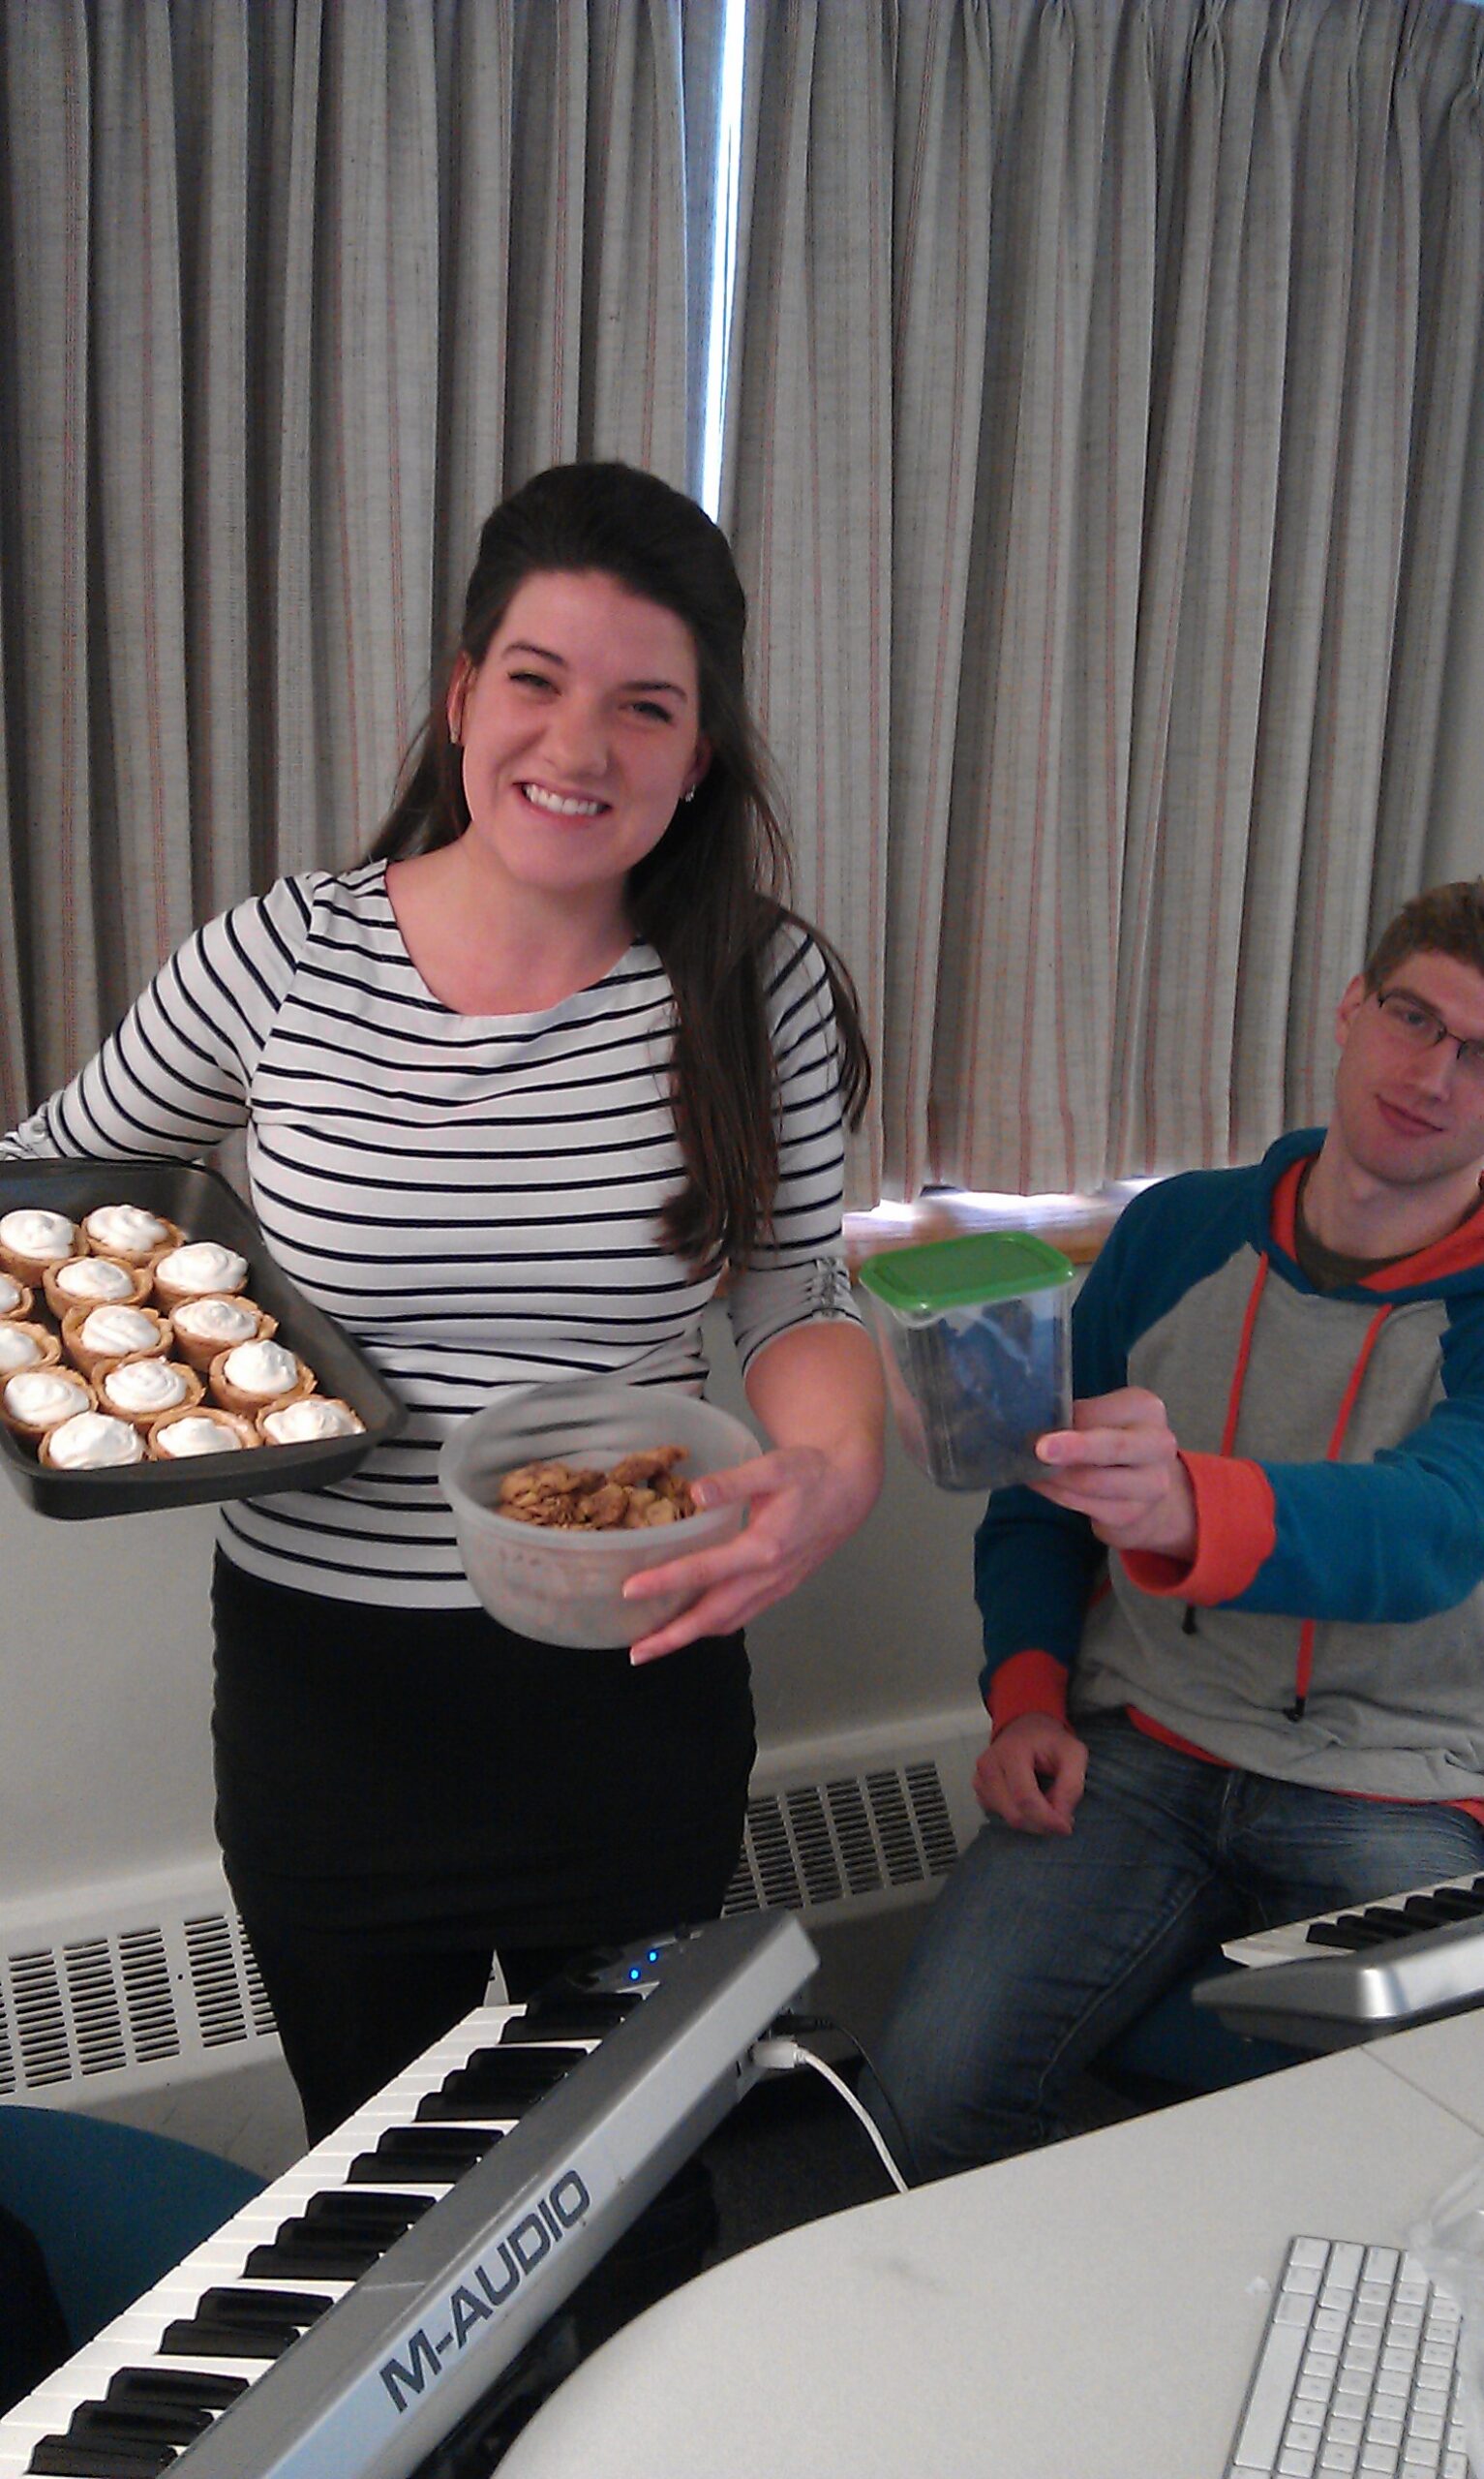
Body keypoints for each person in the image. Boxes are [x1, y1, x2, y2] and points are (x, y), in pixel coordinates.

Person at [1, 460, 885, 2150]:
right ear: (463, 693)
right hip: (331, 1699)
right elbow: (44, 1187)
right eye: (537, 681)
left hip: (628, 1677)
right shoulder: (280, 958)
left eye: (644, 707)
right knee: (383, 2181)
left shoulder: (755, 984)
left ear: (700, 751)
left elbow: (793, 1296)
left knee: (632, 2170)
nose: (579, 746)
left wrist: (833, 1476)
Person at [865, 879, 1484, 2182]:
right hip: (1141, 1744)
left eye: (1482, 1055)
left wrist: (1190, 1501)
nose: (1434, 1076)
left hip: (1402, 1777)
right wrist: (1027, 1702)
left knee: (1429, 2143)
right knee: (924, 2096)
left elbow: (1438, 1526)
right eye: (1414, 1019)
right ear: (1350, 1009)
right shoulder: (1174, 1230)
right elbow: (1034, 1501)